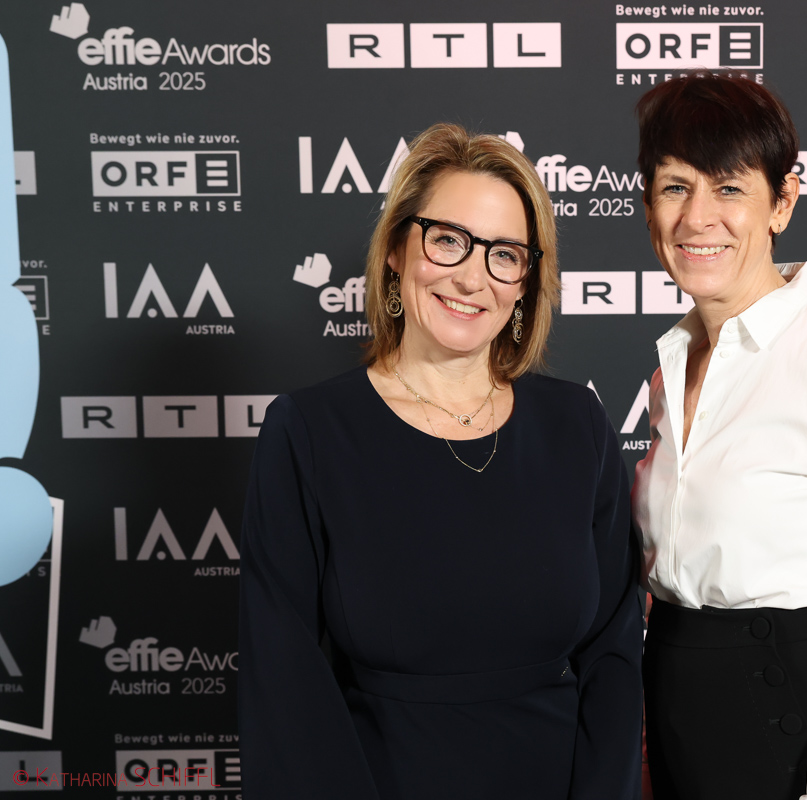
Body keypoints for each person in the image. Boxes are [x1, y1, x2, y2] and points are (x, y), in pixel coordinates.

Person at [238, 123, 643, 799]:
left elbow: (613, 655)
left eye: (504, 255)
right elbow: (284, 683)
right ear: (398, 249)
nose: (472, 277)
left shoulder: (578, 425)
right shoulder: (308, 431)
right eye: (449, 240)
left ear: (525, 283)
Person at [632, 73, 807, 800]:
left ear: (782, 203)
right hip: (674, 718)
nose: (698, 217)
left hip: (786, 728)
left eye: (729, 188)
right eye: (675, 187)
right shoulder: (671, 368)